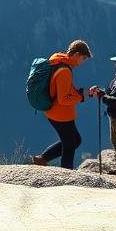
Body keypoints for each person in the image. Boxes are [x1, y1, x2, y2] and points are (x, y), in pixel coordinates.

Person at [32, 40, 92, 169]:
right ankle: (66, 172)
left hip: (57, 112)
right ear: (76, 54)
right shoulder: (64, 71)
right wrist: (81, 97)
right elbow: (63, 99)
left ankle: (42, 158)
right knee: (70, 143)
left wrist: (86, 93)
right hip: (60, 114)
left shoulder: (59, 62)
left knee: (74, 140)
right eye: (83, 58)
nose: (82, 62)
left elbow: (66, 90)